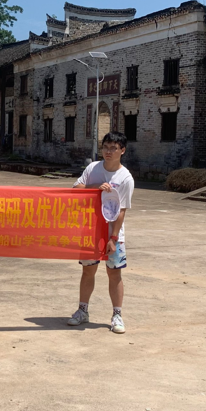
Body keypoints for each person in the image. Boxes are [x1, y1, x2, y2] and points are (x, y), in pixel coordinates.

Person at [67, 132, 135, 334]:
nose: (108, 151)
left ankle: (117, 315)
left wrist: (113, 238)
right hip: (90, 231)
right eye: (106, 147)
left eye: (114, 148)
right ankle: (82, 311)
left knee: (114, 273)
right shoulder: (93, 169)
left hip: (113, 234)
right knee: (88, 271)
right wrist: (95, 187)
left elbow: (121, 211)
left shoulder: (125, 178)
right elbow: (76, 189)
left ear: (122, 151)